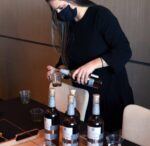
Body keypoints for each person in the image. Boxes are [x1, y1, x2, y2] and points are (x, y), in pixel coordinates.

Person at [46, 0, 134, 132]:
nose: (59, 13)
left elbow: (124, 50)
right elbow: (67, 59)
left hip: (111, 96)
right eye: (55, 10)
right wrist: (59, 71)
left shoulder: (100, 15)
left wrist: (92, 64)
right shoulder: (70, 24)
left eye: (61, 7)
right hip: (85, 100)